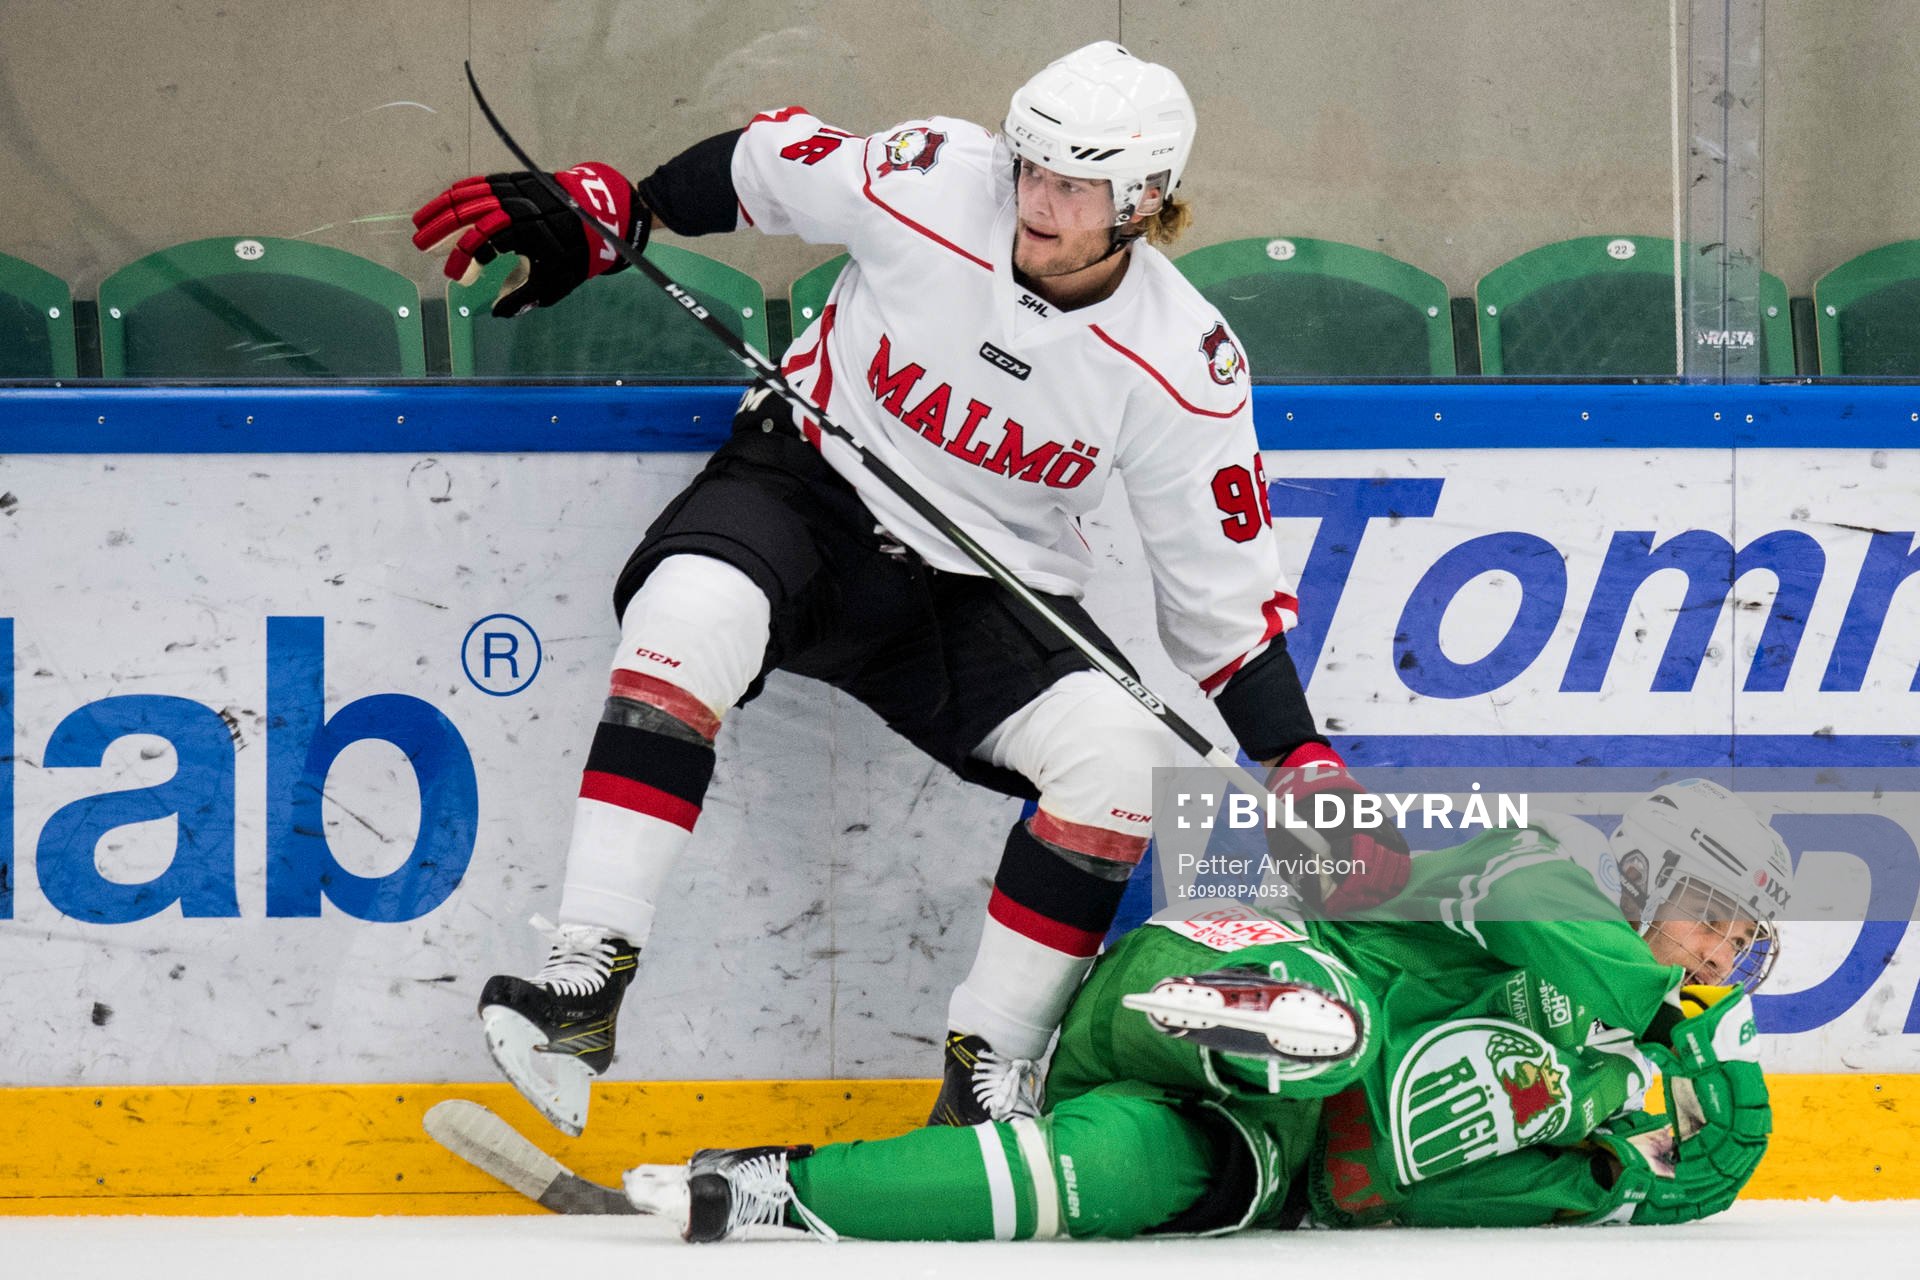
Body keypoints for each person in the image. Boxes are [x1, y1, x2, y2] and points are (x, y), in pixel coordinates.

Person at [411, 41, 1406, 1136]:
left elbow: (1220, 598)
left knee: (1126, 765)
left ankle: (983, 1091)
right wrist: (627, 209)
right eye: (1031, 166)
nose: (1036, 198)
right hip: (807, 490)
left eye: (1075, 185)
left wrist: (1298, 757)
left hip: (981, 589)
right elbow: (760, 163)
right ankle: (582, 982)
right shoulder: (936, 175)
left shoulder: (1185, 359)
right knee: (686, 612)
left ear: (1148, 200)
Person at [610, 778, 1792, 1242]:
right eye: (1717, 919)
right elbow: (1595, 968)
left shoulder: (1587, 1097)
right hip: (1239, 959)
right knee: (1336, 1032)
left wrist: (1621, 1170)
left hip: (1267, 1142)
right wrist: (1676, 1043)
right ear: (1650, 875)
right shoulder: (1546, 874)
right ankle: (1205, 1017)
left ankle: (763, 1183)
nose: (1721, 954)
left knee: (1102, 1184)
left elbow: (1363, 1187)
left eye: (1740, 943)